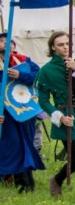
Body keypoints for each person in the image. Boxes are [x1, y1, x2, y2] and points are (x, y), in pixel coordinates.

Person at [36, 31, 75, 199]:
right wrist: (59, 117)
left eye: (67, 44)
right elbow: (43, 100)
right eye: (61, 44)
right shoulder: (46, 71)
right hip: (66, 117)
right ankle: (57, 180)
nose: (65, 47)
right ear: (53, 47)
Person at [0, 32, 44, 192]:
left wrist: (21, 74)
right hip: (5, 114)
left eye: (9, 41)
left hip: (24, 111)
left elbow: (38, 76)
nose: (6, 44)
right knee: (11, 145)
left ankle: (25, 182)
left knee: (25, 143)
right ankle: (15, 180)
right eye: (2, 41)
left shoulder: (24, 61)